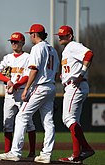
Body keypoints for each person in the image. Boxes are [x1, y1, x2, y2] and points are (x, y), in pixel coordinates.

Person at [0, 24, 59, 164]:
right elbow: (56, 72)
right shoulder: (53, 50)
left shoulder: (38, 48)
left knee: (22, 116)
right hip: (51, 86)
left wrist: (26, 89)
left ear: (34, 34)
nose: (31, 36)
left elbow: (34, 70)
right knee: (48, 121)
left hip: (40, 86)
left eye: (31, 34)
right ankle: (46, 154)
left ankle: (15, 152)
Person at [55, 25, 95, 164]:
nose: (60, 37)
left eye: (63, 35)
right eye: (59, 36)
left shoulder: (73, 46)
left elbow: (89, 54)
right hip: (73, 85)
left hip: (75, 86)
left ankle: (86, 148)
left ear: (70, 36)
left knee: (67, 119)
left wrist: (81, 73)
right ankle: (77, 155)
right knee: (73, 121)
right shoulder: (67, 49)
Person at [0, 32, 36, 158]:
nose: (13, 43)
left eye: (16, 41)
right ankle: (8, 151)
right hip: (9, 94)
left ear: (23, 43)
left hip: (22, 92)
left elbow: (28, 75)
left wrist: (15, 85)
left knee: (28, 122)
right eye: (12, 41)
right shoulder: (7, 58)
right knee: (7, 123)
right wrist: (8, 81)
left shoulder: (28, 57)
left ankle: (32, 152)